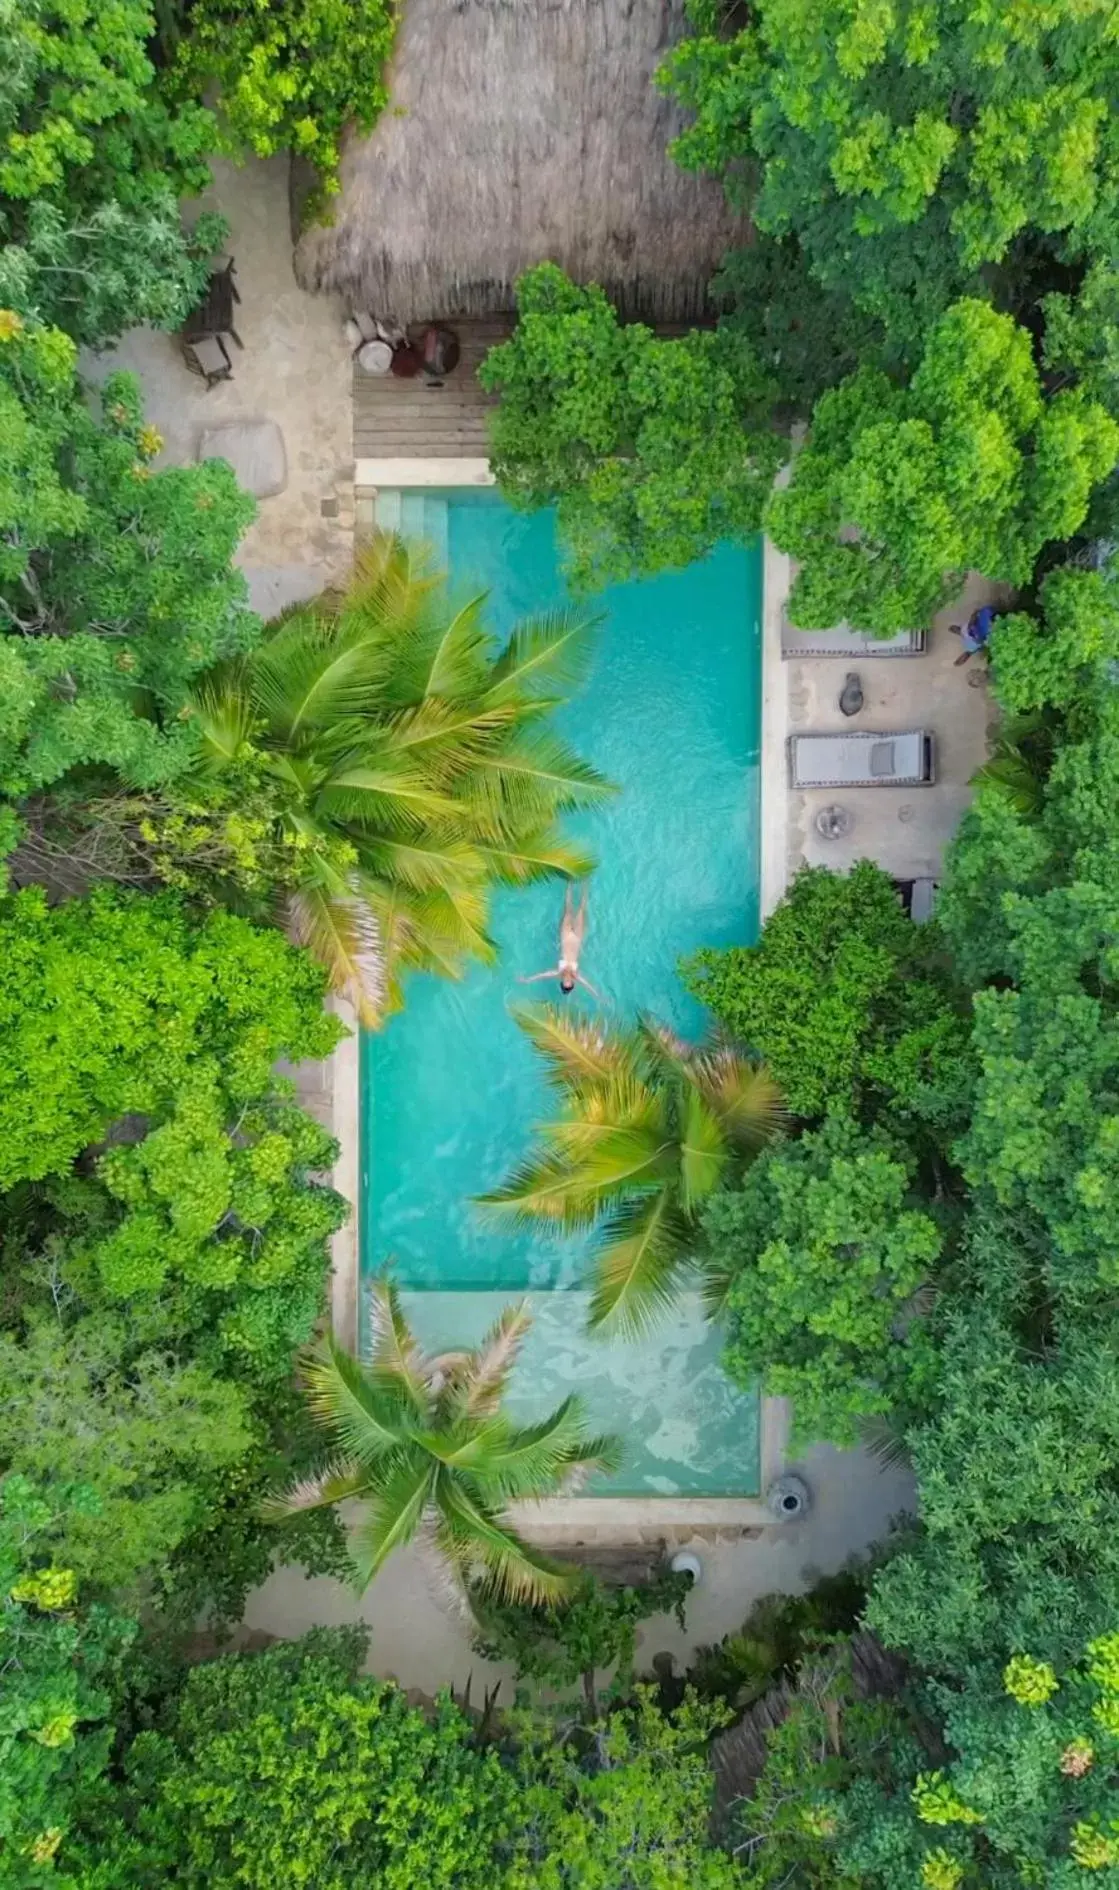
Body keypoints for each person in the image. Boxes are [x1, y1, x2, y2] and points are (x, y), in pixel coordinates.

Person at [519, 883, 602, 1000]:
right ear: (573, 982)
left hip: (565, 936)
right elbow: (588, 986)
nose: (567, 979)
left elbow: (543, 975)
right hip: (577, 938)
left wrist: (527, 979)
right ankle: (585, 882)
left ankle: (570, 882)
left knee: (568, 908)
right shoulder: (576, 976)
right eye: (569, 981)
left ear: (562, 981)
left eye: (564, 981)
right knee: (582, 909)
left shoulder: (558, 972)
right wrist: (600, 998)